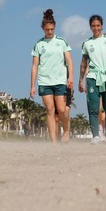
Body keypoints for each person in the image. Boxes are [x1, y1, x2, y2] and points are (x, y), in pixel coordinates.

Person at [29, 9, 73, 144]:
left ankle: (66, 130)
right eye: (47, 29)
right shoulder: (38, 45)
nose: (50, 32)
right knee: (49, 110)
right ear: (43, 28)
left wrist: (70, 77)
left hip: (60, 81)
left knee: (61, 110)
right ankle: (53, 140)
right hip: (44, 81)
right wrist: (32, 86)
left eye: (52, 29)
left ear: (54, 28)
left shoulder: (62, 42)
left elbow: (69, 61)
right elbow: (35, 66)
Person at [79, 15, 106, 145]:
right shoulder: (87, 43)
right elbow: (83, 63)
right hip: (92, 77)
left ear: (101, 26)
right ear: (90, 27)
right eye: (93, 26)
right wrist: (80, 80)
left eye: (98, 25)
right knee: (93, 108)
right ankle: (96, 136)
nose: (96, 28)